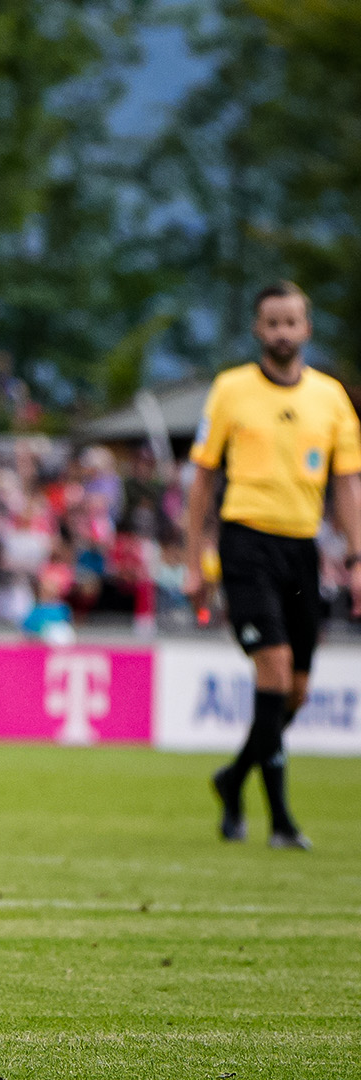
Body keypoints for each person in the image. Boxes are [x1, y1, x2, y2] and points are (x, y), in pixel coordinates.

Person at [186, 281, 361, 850]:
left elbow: (346, 485)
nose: (283, 331)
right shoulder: (231, 390)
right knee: (276, 667)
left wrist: (356, 558)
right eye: (272, 322)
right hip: (244, 544)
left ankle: (233, 779)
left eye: (292, 322)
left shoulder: (332, 398)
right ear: (259, 330)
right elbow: (203, 481)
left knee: (298, 692)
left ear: (306, 328)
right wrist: (195, 561)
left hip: (301, 549)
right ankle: (281, 821)